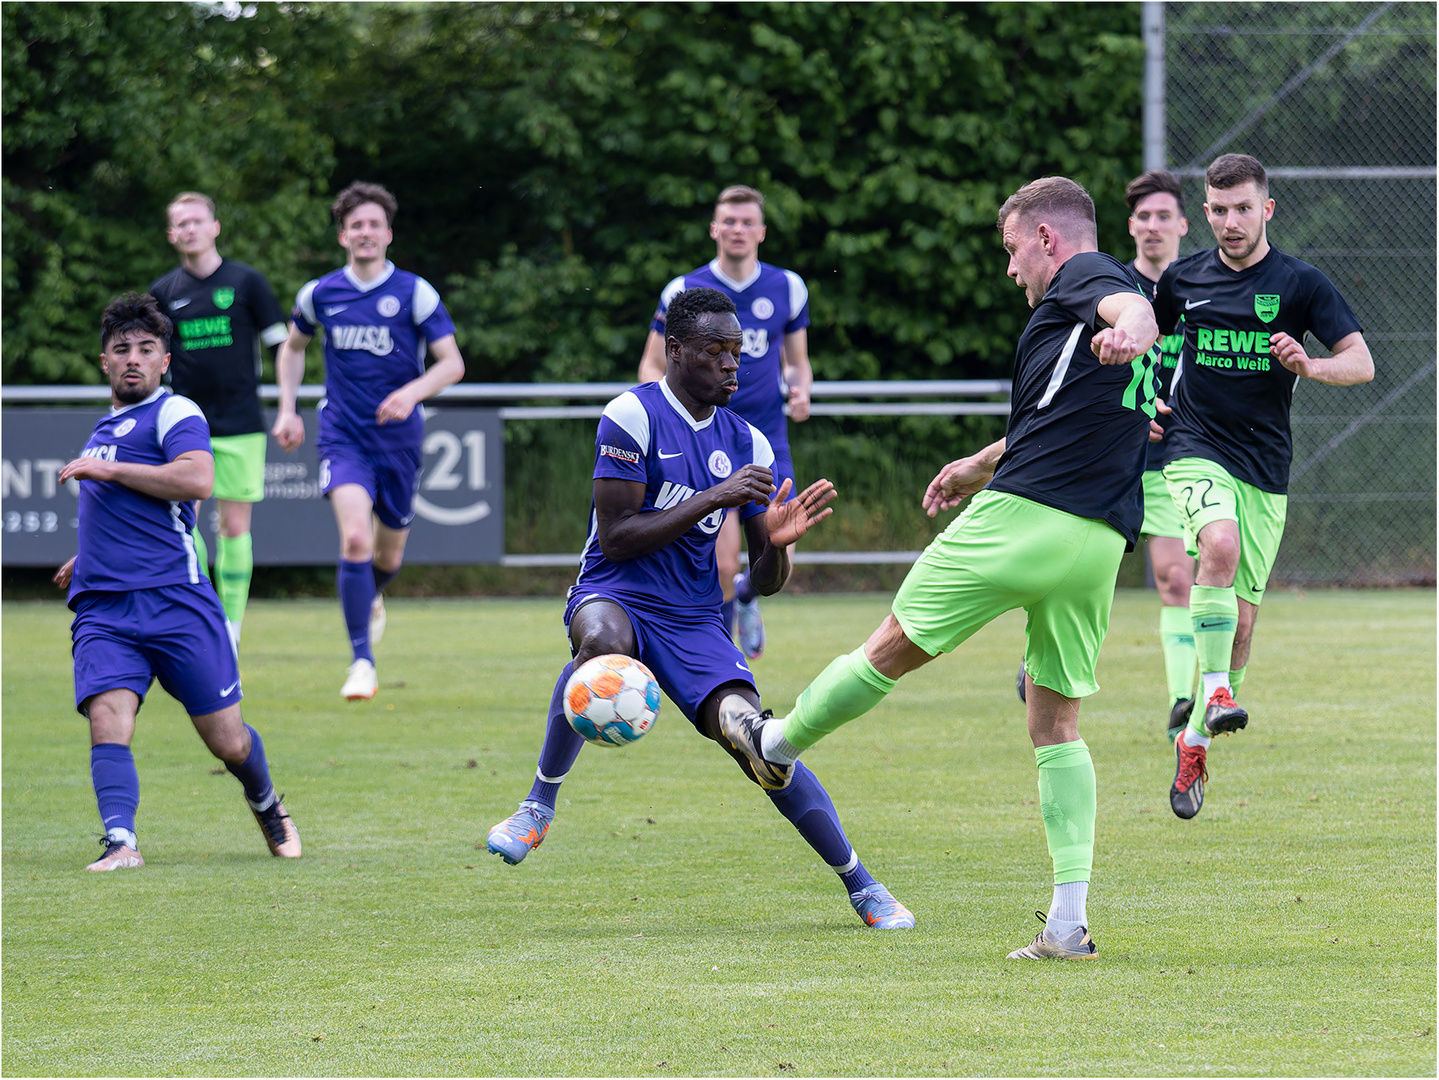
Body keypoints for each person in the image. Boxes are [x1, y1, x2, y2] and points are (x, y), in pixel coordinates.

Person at [720, 177, 1162, 960]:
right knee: (1054, 724)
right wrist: (977, 462)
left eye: (1011, 249)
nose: (1010, 269)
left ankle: (776, 743)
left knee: (889, 644)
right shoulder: (1076, 323)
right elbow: (1056, 418)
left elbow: (1132, 312)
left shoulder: (1086, 282)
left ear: (1047, 240)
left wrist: (1133, 327)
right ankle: (1066, 924)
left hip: (1023, 522)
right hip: (1095, 545)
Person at [487, 287, 913, 931]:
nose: (732, 365)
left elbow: (765, 582)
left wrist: (776, 543)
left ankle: (861, 884)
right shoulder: (630, 415)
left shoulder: (751, 443)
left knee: (761, 743)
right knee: (601, 644)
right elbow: (617, 536)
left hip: (695, 619)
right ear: (675, 350)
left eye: (738, 352)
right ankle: (537, 807)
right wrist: (716, 496)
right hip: (617, 590)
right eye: (716, 351)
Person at [1155, 154, 1372, 819]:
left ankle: (1194, 740)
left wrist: (1308, 364)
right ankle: (1214, 693)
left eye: (1241, 208)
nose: (1228, 222)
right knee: (1214, 546)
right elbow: (1152, 347)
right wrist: (1149, 404)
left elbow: (1360, 364)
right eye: (1217, 210)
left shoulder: (1300, 283)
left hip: (1264, 467)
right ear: (1205, 212)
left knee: (1242, 622)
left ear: (1266, 209)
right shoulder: (1180, 278)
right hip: (1193, 449)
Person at [53, 293, 300, 872]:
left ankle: (265, 801)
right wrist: (85, 553)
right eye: (121, 350)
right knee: (107, 717)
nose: (133, 358)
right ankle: (121, 842)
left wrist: (106, 467)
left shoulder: (176, 412)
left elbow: (198, 480)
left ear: (165, 361)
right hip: (106, 607)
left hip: (176, 603)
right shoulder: (105, 427)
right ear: (104, 363)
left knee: (228, 741)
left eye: (146, 349)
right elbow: (125, 511)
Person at [272, 182, 465, 701]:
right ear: (343, 236)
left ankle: (372, 597)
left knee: (387, 555)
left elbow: (452, 363)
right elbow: (292, 350)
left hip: (400, 440)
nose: (365, 233)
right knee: (355, 539)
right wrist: (287, 408)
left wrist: (412, 392)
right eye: (356, 225)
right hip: (343, 435)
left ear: (388, 234)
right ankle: (362, 661)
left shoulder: (414, 292)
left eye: (374, 224)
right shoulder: (319, 294)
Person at [636, 185, 812, 661]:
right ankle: (720, 650)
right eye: (728, 222)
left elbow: (796, 361)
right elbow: (651, 366)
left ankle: (749, 599)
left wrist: (800, 388)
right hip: (704, 434)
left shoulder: (788, 286)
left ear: (761, 231)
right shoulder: (683, 290)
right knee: (720, 557)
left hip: (764, 438)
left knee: (780, 550)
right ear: (714, 229)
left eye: (746, 222)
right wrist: (669, 414)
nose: (737, 230)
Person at [149, 192, 289, 646]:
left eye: (197, 220)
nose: (189, 229)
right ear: (172, 235)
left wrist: (288, 408)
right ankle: (203, 615)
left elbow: (284, 348)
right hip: (186, 428)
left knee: (234, 527)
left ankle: (232, 628)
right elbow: (151, 361)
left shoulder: (248, 283)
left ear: (215, 227)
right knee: (186, 524)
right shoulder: (163, 292)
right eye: (180, 223)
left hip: (243, 422)